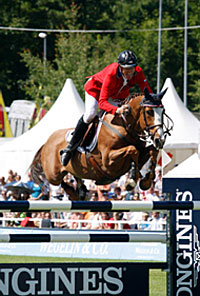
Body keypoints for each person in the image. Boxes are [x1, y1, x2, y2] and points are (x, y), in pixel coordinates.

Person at [60, 50, 152, 166]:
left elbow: (147, 91)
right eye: (126, 69)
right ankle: (70, 148)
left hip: (116, 94)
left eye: (132, 68)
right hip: (96, 90)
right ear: (120, 67)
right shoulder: (111, 74)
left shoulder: (138, 72)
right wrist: (117, 110)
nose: (129, 73)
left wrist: (155, 102)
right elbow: (102, 103)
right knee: (91, 114)